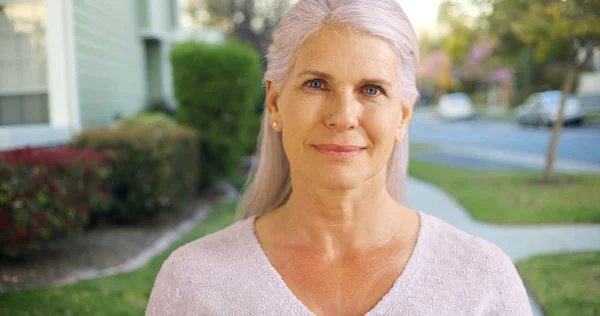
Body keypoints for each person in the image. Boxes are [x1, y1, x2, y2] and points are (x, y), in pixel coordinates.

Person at [146, 0, 533, 315]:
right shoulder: (193, 284)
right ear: (275, 102)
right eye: (316, 84)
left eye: (372, 89)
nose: (343, 117)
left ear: (402, 115)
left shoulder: (482, 282)